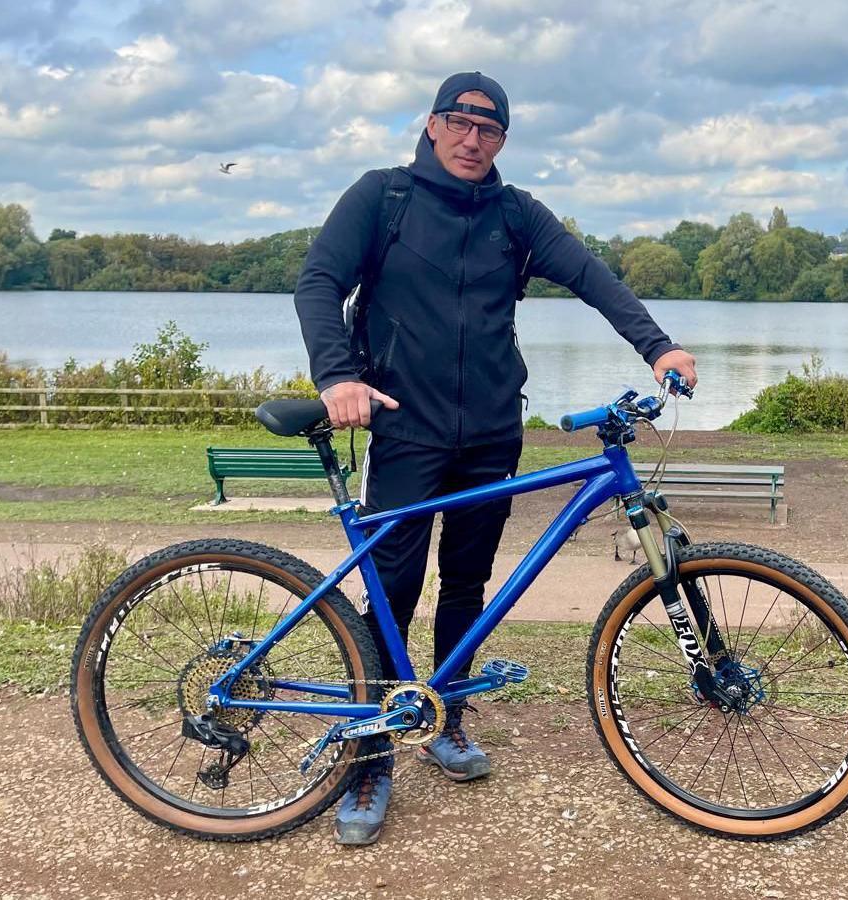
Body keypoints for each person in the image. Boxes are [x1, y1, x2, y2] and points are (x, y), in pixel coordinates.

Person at [293, 71, 697, 846]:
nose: (473, 139)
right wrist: (338, 375)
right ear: (433, 124)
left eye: (490, 129)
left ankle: (445, 718)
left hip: (488, 431)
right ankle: (371, 754)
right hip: (404, 429)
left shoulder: (515, 214)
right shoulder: (384, 199)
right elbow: (318, 281)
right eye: (460, 122)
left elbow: (589, 275)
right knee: (396, 585)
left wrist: (658, 344)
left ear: (502, 140)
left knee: (469, 579)